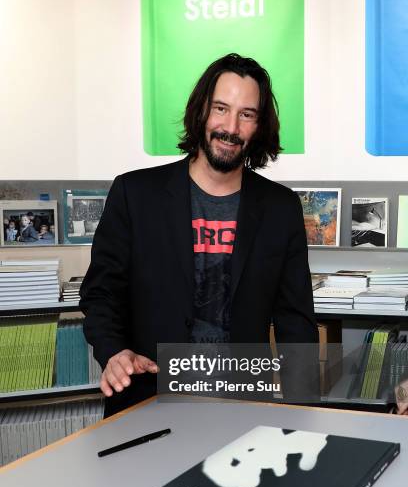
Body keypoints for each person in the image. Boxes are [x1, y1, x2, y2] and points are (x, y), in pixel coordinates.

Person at [80, 53, 319, 417]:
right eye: (221, 108)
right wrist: (114, 351)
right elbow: (101, 292)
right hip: (147, 399)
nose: (231, 127)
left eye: (247, 114)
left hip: (241, 407)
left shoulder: (281, 207)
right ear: (201, 111)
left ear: (260, 126)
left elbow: (295, 320)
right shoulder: (135, 194)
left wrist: (303, 415)